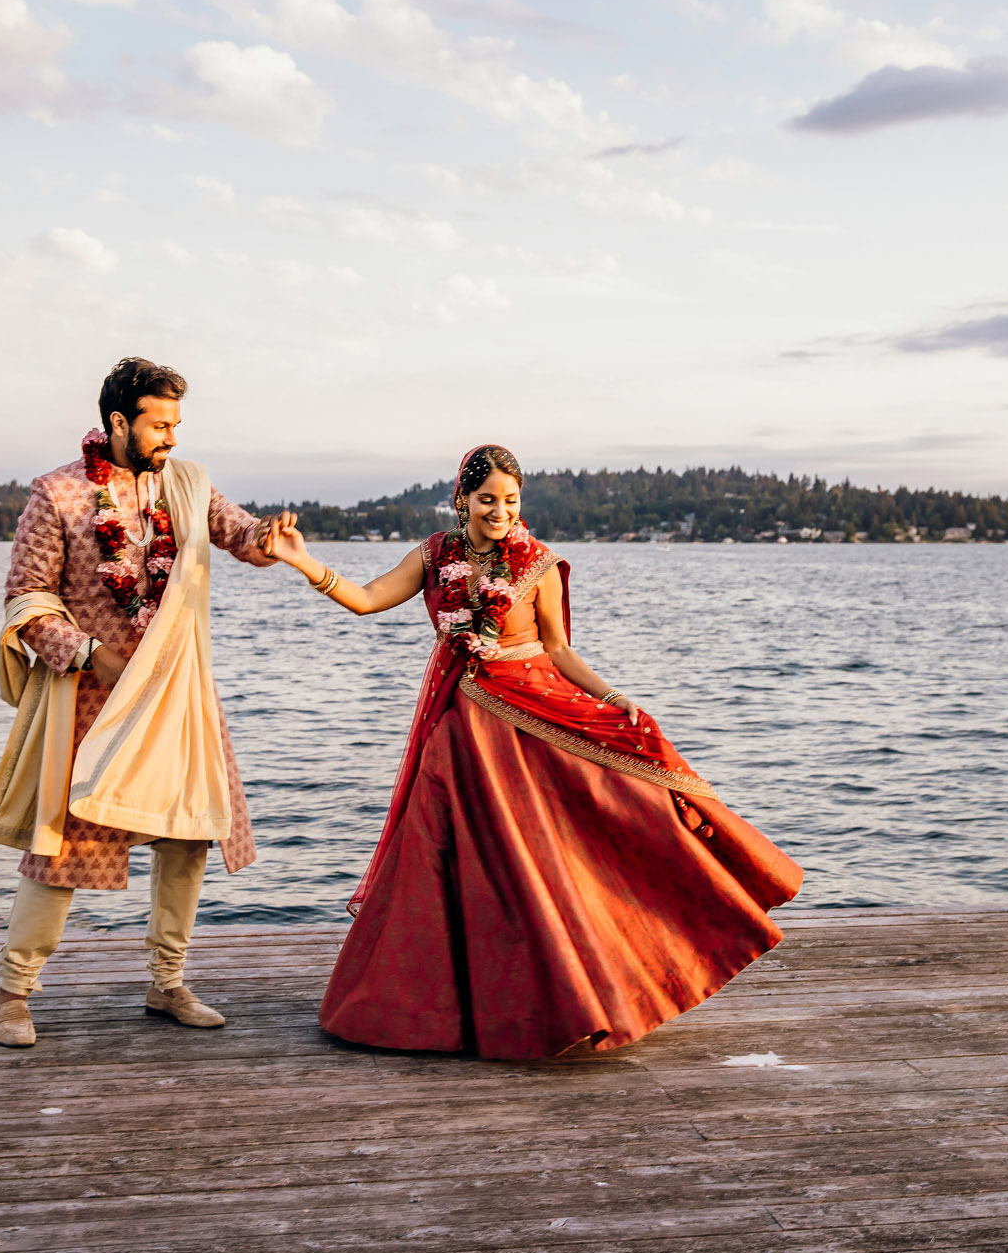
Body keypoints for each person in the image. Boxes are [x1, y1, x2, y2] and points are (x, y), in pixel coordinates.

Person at [267, 444, 802, 1059]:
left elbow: (560, 649)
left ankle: (573, 993)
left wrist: (613, 695)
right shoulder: (434, 554)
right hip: (457, 728)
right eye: (487, 499)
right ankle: (426, 1012)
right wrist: (302, 562)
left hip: (530, 721)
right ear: (461, 499)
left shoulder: (537, 563)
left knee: (541, 857)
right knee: (439, 862)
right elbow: (365, 599)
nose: (500, 511)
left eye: (511, 500)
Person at [0, 357, 293, 1048]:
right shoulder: (58, 493)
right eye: (160, 423)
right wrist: (94, 654)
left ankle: (167, 980)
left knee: (187, 833)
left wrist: (271, 540)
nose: (172, 437)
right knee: (63, 846)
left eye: (178, 423)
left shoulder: (186, 483)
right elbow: (27, 599)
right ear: (118, 421)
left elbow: (239, 534)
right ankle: (12, 989)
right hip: (92, 699)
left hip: (177, 693)